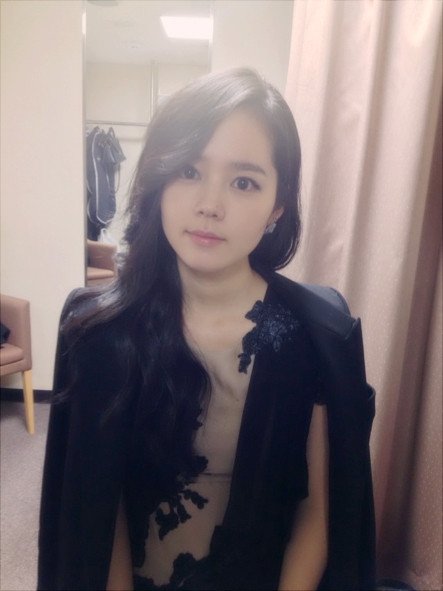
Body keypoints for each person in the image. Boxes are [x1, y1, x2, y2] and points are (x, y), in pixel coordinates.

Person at [38, 68, 375, 591]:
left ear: (277, 205)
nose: (210, 205)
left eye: (243, 182)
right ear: (159, 179)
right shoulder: (100, 333)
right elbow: (95, 515)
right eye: (189, 171)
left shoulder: (317, 337)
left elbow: (318, 517)